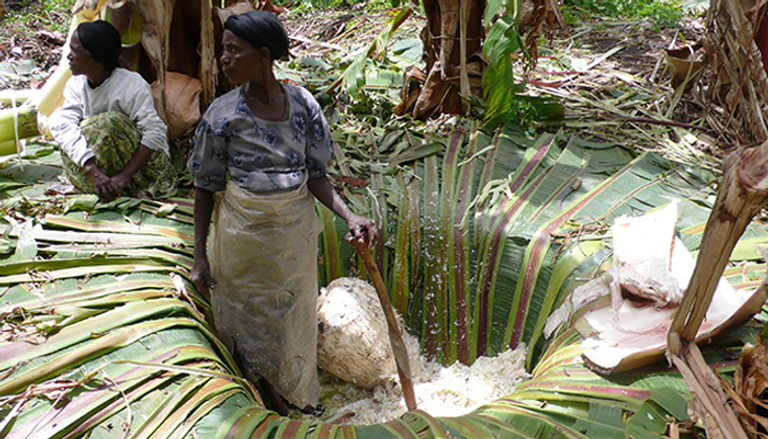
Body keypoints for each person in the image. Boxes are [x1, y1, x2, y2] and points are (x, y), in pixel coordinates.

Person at [187, 11, 376, 415]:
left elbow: (316, 175)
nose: (224, 59)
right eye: (223, 49)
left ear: (264, 55)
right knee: (248, 312)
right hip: (242, 234)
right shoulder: (222, 114)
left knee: (292, 311)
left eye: (233, 50)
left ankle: (296, 396)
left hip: (292, 234)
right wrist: (199, 255)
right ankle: (264, 404)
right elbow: (205, 185)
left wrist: (350, 216)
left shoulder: (303, 105)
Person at [50, 20, 176, 201]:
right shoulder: (75, 85)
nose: (69, 56)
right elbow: (63, 124)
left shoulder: (132, 84)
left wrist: (125, 176)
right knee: (68, 132)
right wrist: (91, 168)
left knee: (107, 124)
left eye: (75, 51)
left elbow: (155, 132)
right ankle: (105, 185)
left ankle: (121, 185)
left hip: (139, 172)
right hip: (98, 170)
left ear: (96, 55)